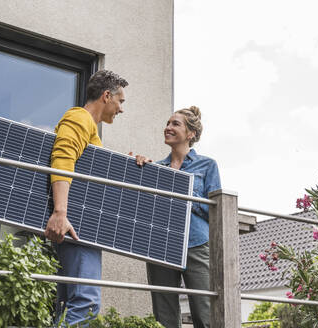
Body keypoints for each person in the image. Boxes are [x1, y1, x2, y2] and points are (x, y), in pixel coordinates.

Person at [44, 70, 128, 325]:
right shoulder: (80, 117)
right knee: (86, 302)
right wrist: (60, 213)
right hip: (76, 227)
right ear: (106, 96)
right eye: (120, 101)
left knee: (70, 302)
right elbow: (63, 158)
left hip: (81, 225)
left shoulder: (90, 130)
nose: (121, 109)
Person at [135, 106, 221, 328]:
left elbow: (216, 212)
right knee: (164, 317)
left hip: (196, 244)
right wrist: (139, 169)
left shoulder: (207, 165)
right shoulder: (157, 167)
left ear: (190, 134)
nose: (168, 127)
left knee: (205, 313)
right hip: (160, 245)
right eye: (167, 123)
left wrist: (186, 191)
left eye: (175, 124)